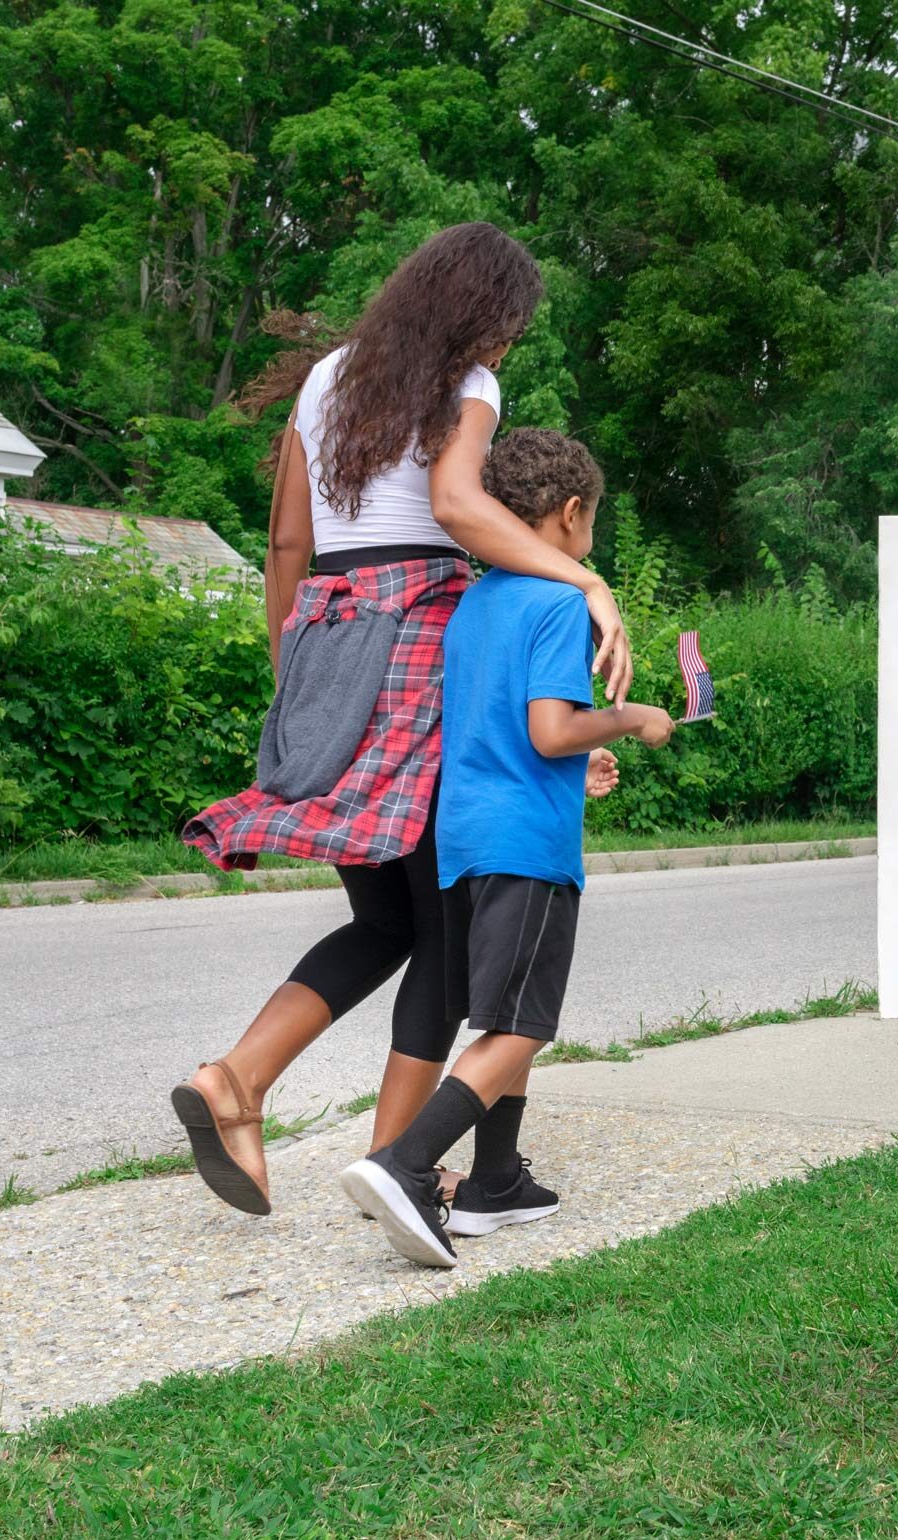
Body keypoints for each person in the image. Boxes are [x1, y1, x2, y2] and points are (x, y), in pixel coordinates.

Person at [170, 225, 633, 1217]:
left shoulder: (329, 376)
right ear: (482, 313)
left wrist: (294, 670)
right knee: (441, 931)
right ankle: (394, 1164)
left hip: (323, 635)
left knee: (380, 917)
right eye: (510, 324)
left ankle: (241, 1080)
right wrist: (587, 577)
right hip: (417, 640)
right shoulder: (464, 377)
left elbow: (288, 538)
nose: (508, 345)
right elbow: (458, 505)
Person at [340, 428, 674, 1266]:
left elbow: (514, 732)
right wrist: (634, 719)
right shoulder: (560, 601)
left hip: (465, 838)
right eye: (592, 518)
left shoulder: (479, 599)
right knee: (521, 1029)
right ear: (569, 515)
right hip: (528, 845)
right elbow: (551, 726)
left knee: (498, 1014)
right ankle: (407, 1165)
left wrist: (577, 758)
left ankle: (496, 1181)